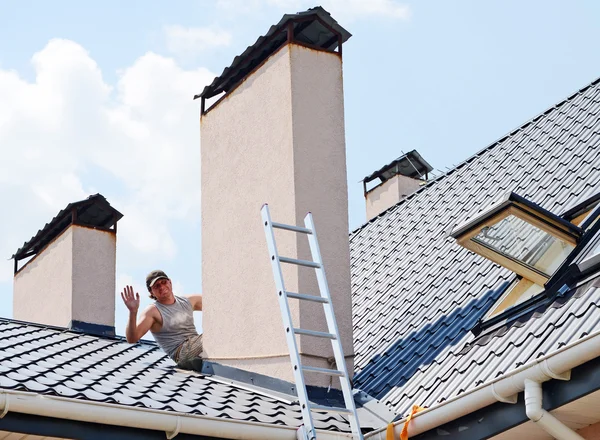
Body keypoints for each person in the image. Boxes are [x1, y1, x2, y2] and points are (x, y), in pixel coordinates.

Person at [120, 270, 204, 370]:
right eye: (156, 286)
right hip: (182, 353)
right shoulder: (152, 311)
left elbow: (216, 303)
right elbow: (132, 339)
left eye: (163, 282)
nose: (162, 287)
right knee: (214, 336)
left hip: (198, 346)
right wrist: (133, 312)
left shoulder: (187, 301)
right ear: (151, 292)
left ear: (170, 282)